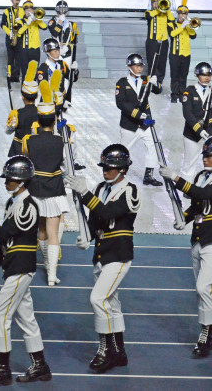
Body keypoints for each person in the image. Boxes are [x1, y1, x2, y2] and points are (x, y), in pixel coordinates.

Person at [0, 156, 52, 385]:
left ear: (22, 182)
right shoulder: (13, 203)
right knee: (27, 319)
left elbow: (5, 234)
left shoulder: (28, 206)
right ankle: (40, 366)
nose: (6, 182)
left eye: (11, 179)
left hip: (21, 268)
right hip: (13, 267)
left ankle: (2, 369)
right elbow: (4, 242)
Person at [65, 144, 140, 374]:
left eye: (110, 167)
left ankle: (105, 350)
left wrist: (85, 194)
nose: (105, 170)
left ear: (122, 169)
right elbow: (95, 218)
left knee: (97, 299)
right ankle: (119, 352)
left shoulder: (131, 190)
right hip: (101, 253)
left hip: (118, 254)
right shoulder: (100, 188)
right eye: (105, 166)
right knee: (111, 304)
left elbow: (108, 213)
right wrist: (85, 235)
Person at [159, 137, 212, 358]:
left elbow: (203, 194)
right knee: (203, 291)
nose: (206, 158)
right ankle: (206, 330)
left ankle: (207, 332)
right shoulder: (202, 176)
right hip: (198, 237)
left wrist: (176, 178)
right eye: (205, 154)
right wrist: (184, 218)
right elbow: (196, 204)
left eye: (210, 155)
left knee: (203, 287)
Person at [22, 91, 67, 286]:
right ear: (54, 119)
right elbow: (65, 163)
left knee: (40, 231)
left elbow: (26, 161)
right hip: (54, 189)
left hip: (35, 188)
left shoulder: (28, 140)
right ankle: (51, 273)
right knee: (53, 233)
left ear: (38, 120)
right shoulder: (61, 140)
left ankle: (42, 264)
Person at [115, 53, 162, 187]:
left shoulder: (146, 81)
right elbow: (120, 103)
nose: (139, 68)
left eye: (141, 66)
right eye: (136, 66)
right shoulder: (122, 83)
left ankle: (149, 175)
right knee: (123, 150)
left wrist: (156, 83)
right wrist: (136, 113)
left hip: (144, 124)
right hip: (129, 124)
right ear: (129, 66)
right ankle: (118, 173)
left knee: (152, 146)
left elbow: (159, 91)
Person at [181, 62, 212, 176]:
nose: (207, 77)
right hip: (192, 134)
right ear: (197, 75)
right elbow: (187, 113)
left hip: (209, 134)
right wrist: (199, 130)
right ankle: (185, 190)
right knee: (189, 164)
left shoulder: (211, 91)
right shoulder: (189, 91)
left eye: (209, 75)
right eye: (204, 75)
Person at [169, 0, 199, 103]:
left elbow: (194, 36)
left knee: (183, 75)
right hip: (175, 54)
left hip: (186, 55)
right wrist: (182, 26)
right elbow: (172, 34)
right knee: (174, 75)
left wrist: (188, 26)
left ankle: (182, 94)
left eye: (185, 13)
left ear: (187, 15)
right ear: (178, 14)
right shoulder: (172, 24)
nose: (183, 15)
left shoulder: (188, 25)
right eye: (181, 13)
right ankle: (174, 94)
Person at [143, 0, 172, 94]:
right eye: (153, 2)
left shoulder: (165, 13)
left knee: (162, 62)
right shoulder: (149, 12)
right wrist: (158, 9)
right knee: (152, 62)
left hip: (163, 41)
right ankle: (151, 82)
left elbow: (172, 20)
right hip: (152, 41)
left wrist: (166, 9)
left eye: (157, 2)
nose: (155, 4)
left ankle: (159, 82)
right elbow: (148, 16)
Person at [13, 0, 46, 83]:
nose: (29, 11)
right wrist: (27, 24)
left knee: (35, 71)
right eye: (27, 9)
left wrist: (37, 19)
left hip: (35, 49)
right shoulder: (20, 21)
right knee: (25, 71)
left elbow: (45, 27)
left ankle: (33, 90)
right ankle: (24, 92)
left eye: (31, 9)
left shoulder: (36, 21)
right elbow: (19, 32)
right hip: (24, 49)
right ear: (24, 11)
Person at [6, 79, 39, 156]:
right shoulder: (41, 113)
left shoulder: (16, 114)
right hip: (34, 151)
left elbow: (8, 131)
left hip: (18, 151)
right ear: (37, 96)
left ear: (22, 97)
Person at [0, 0, 24, 84]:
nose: (16, 1)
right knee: (10, 57)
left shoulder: (22, 11)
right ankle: (9, 75)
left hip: (20, 36)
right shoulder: (6, 11)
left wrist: (21, 22)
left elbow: (26, 23)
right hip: (10, 36)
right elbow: (2, 24)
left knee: (19, 57)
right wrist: (9, 32)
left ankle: (16, 76)